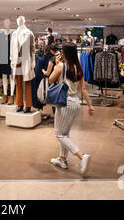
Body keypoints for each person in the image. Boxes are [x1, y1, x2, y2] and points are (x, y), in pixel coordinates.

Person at [48, 43, 95, 175]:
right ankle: (62, 159)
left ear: (65, 53)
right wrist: (90, 106)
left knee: (59, 133)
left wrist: (56, 66)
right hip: (75, 103)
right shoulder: (78, 68)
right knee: (65, 133)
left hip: (64, 102)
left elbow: (51, 80)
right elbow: (83, 89)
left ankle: (81, 155)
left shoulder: (62, 66)